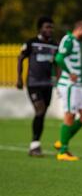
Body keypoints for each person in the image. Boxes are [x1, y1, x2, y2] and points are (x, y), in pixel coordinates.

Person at [17, 16, 59, 156]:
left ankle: (36, 144)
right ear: (40, 28)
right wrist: (19, 78)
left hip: (48, 84)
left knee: (42, 113)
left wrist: (58, 81)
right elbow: (21, 58)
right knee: (40, 110)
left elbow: (57, 63)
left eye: (51, 27)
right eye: (47, 27)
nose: (50, 30)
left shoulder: (54, 45)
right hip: (33, 83)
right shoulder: (32, 43)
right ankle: (34, 145)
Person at [53, 21, 82, 161]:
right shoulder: (69, 40)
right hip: (69, 84)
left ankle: (62, 140)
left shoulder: (75, 41)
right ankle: (63, 151)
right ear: (81, 29)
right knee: (69, 115)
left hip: (76, 86)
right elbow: (59, 58)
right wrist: (70, 72)